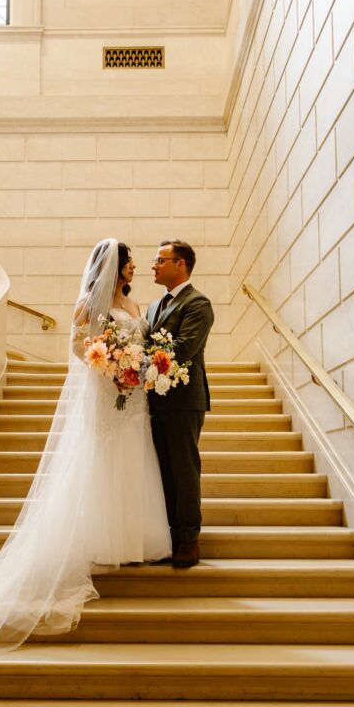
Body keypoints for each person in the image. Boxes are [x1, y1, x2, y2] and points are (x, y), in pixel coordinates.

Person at [0, 238, 171, 700]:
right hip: (106, 393)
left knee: (133, 460)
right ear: (116, 267)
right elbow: (78, 346)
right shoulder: (87, 305)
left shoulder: (134, 303)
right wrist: (108, 364)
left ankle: (133, 538)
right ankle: (102, 539)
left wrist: (137, 368)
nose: (134, 269)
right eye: (131, 263)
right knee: (105, 461)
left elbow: (139, 340)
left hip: (133, 400)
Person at [147, 240, 214, 568]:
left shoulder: (198, 303)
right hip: (153, 400)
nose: (154, 265)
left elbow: (185, 348)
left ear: (182, 264)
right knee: (162, 471)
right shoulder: (152, 306)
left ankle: (189, 539)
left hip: (184, 400)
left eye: (161, 260)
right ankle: (169, 536)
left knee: (184, 469)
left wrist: (138, 359)